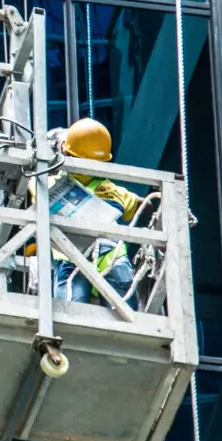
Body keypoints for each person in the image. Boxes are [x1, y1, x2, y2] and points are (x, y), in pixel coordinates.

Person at [50, 118, 143, 309]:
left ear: (66, 152)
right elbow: (142, 205)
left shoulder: (52, 184)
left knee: (71, 316)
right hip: (109, 258)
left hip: (74, 260)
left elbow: (31, 187)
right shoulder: (111, 189)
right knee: (126, 323)